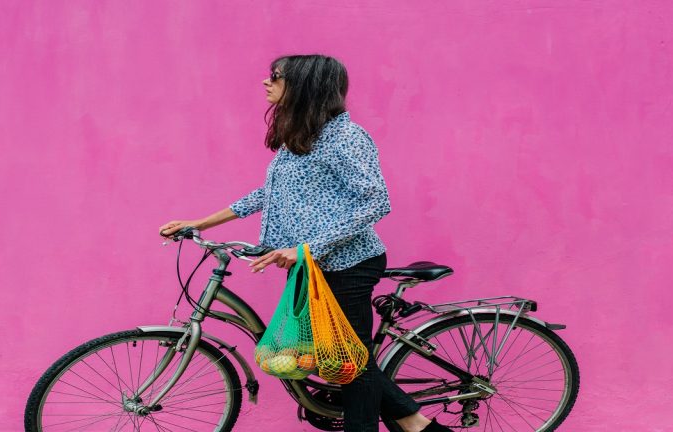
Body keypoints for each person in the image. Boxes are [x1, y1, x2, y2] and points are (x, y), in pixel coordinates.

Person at [160, 54, 453, 432]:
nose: (266, 82)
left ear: (305, 85)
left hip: (347, 264)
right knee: (337, 357)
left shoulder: (344, 137)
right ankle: (417, 424)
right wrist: (201, 221)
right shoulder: (303, 135)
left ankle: (412, 425)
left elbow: (376, 201)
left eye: (276, 76)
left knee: (350, 362)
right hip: (310, 265)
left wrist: (306, 248)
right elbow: (270, 192)